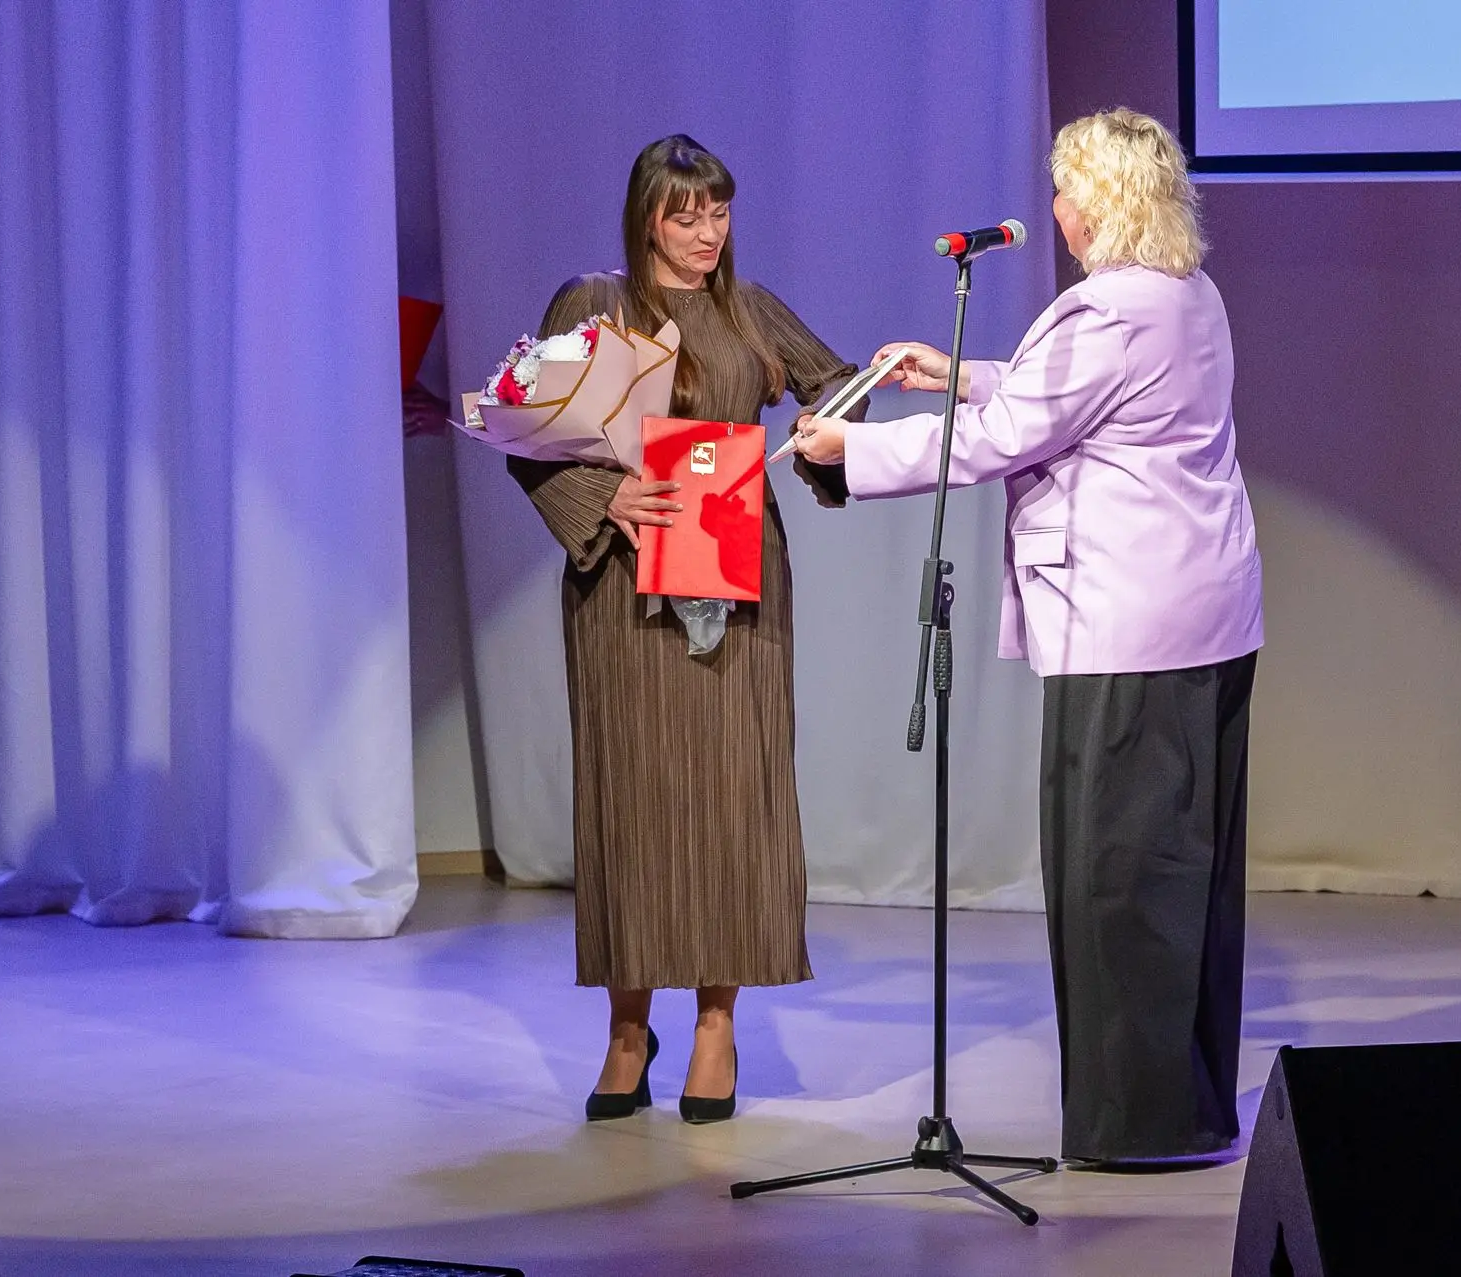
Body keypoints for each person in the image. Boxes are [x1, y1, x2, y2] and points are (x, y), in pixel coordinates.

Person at [796, 108, 1263, 1165]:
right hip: (1206, 616)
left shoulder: (1108, 311)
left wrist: (852, 449)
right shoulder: (1186, 294)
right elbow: (1079, 404)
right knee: (1186, 874)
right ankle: (1181, 1108)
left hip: (1129, 629)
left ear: (1100, 203)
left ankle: (1136, 1125)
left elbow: (1009, 438)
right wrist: (957, 371)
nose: (1053, 208)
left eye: (1065, 190)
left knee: (1119, 880)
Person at [509, 135, 859, 1125]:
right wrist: (604, 495)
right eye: (685, 215)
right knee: (636, 801)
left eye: (720, 212)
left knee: (731, 799)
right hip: (626, 589)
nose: (708, 233)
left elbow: (836, 391)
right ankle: (628, 1029)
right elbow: (525, 431)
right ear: (647, 219)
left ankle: (716, 1024)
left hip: (737, 577)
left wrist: (837, 424)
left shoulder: (750, 311)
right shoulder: (596, 305)